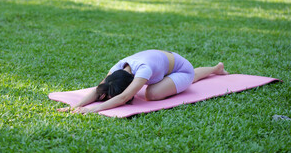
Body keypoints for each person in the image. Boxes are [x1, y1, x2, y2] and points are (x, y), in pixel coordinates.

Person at [57, 49, 228, 114]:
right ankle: (216, 69)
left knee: (151, 93)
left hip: (182, 68)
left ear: (130, 83)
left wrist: (94, 109)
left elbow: (124, 97)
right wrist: (74, 106)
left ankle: (212, 70)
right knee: (192, 77)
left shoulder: (143, 70)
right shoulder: (117, 68)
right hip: (171, 63)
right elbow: (99, 89)